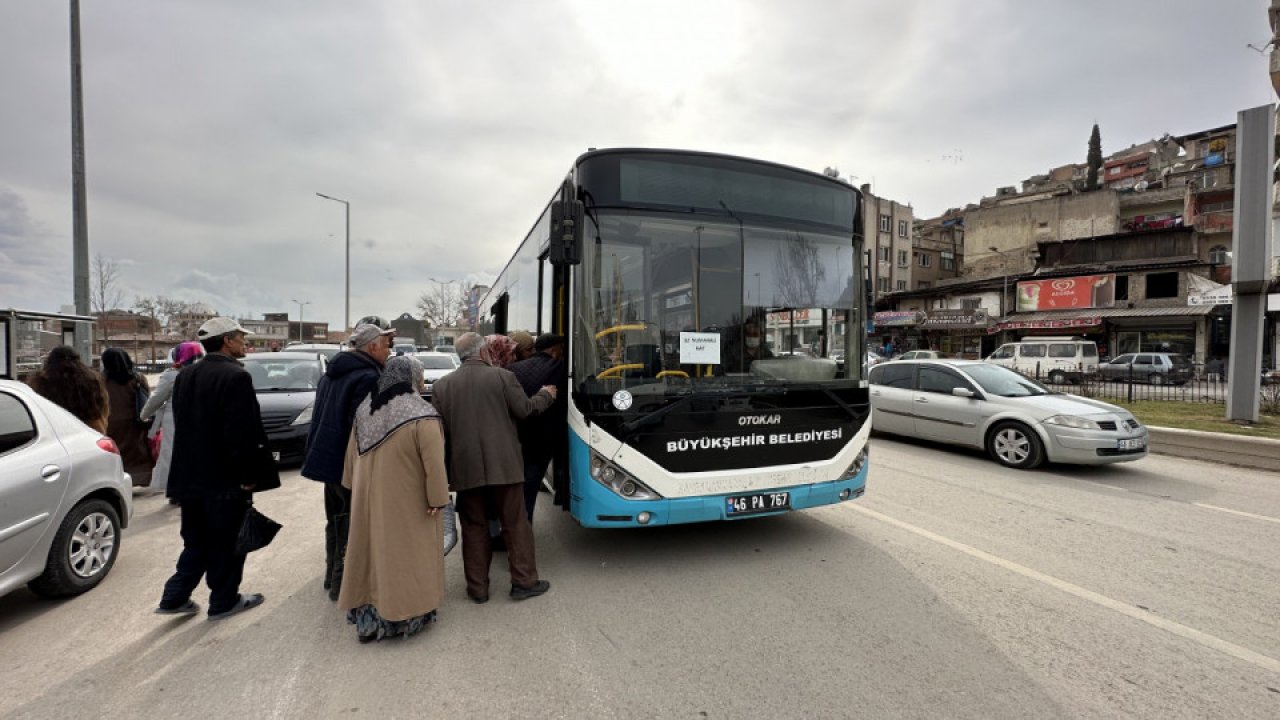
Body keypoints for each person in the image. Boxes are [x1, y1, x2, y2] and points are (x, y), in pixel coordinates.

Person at [156, 317, 280, 620]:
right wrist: (249, 476)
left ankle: (174, 596)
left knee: (196, 540)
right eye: (240, 337)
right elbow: (242, 433)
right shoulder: (235, 377)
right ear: (226, 340)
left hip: (190, 477)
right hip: (224, 480)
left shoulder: (186, 375)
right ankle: (224, 601)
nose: (244, 342)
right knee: (227, 542)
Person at [431, 332, 556, 604]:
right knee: (515, 524)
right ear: (484, 351)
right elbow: (524, 410)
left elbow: (439, 435)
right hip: (505, 468)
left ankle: (478, 589)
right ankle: (524, 582)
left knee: (474, 528)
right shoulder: (502, 377)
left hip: (465, 470)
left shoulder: (442, 387)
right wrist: (545, 396)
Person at [338, 355, 450, 643]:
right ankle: (403, 617)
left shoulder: (366, 409)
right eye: (420, 375)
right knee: (406, 558)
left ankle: (368, 620)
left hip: (367, 500)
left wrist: (357, 490)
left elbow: (351, 461)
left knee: (371, 556)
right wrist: (438, 499)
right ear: (412, 378)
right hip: (408, 501)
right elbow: (434, 464)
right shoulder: (421, 412)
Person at [302, 316, 394, 601]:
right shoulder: (368, 377)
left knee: (337, 518)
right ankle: (344, 584)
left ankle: (333, 577)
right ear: (372, 347)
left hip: (328, 460)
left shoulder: (332, 373)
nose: (389, 351)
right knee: (352, 521)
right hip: (349, 464)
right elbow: (365, 427)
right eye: (386, 345)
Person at [508, 333, 567, 520]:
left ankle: (516, 525)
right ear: (554, 349)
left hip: (518, 436)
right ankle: (523, 528)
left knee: (520, 485)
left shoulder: (513, 369)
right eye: (561, 349)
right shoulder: (560, 367)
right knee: (530, 486)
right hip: (545, 439)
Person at [140, 342, 204, 497]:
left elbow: (156, 399)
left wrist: (144, 415)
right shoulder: (204, 372)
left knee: (172, 454)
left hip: (174, 419)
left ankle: (176, 489)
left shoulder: (172, 375)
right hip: (200, 419)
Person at [101, 348, 155, 488]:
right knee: (137, 452)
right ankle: (139, 478)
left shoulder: (100, 380)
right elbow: (147, 399)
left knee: (116, 454)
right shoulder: (137, 378)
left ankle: (118, 480)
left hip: (109, 423)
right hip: (134, 423)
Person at [26, 345, 109, 434]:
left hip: (56, 433)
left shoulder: (40, 381)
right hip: (90, 432)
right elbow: (102, 408)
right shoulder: (92, 380)